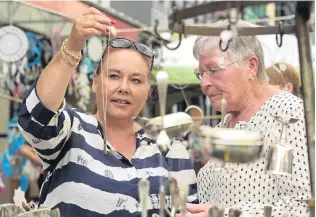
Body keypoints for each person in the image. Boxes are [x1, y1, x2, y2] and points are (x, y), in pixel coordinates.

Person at [17, 7, 198, 217]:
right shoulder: (71, 131)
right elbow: (35, 118)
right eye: (114, 76)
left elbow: (189, 211)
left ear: (148, 91)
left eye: (136, 80)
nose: (124, 87)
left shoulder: (169, 148)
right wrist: (74, 44)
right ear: (95, 82)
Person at [185, 19, 311, 217]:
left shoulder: (285, 116)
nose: (204, 84)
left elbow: (302, 207)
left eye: (213, 70)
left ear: (251, 66)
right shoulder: (226, 121)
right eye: (201, 73)